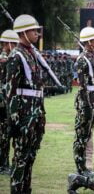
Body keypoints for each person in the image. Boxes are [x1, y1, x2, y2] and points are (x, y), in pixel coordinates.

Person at [6, 14, 45, 193]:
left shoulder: (32, 53)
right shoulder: (16, 55)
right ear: (23, 32)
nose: (37, 33)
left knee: (30, 155)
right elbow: (11, 90)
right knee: (20, 156)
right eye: (34, 30)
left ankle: (26, 189)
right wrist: (14, 119)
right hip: (23, 114)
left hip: (36, 113)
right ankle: (16, 190)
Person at [73, 27, 94, 178]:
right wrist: (88, 105)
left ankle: (85, 168)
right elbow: (83, 86)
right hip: (86, 102)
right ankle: (81, 168)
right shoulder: (83, 60)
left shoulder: (93, 57)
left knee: (87, 134)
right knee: (82, 136)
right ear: (88, 42)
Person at [0, 29, 19, 175]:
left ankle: (4, 163)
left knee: (5, 133)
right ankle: (3, 165)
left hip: (4, 100)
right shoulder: (3, 58)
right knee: (3, 134)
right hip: (2, 102)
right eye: (12, 43)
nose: (14, 46)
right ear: (6, 43)